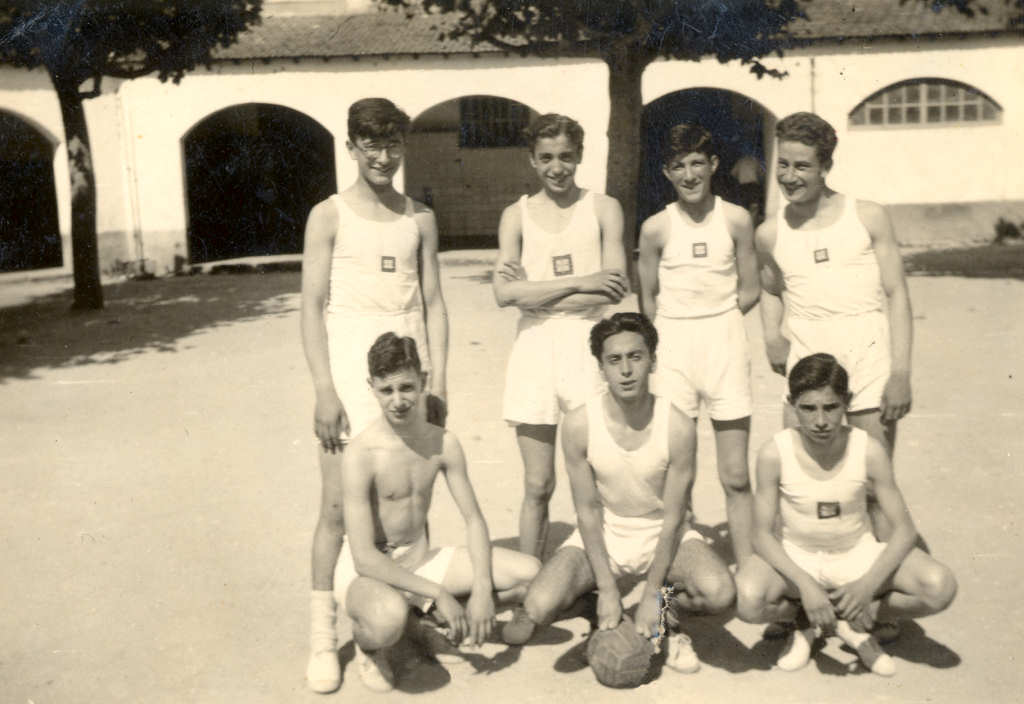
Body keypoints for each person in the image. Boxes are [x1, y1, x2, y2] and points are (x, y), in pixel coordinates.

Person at [300, 98, 449, 693]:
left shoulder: (421, 217)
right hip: (349, 374)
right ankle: (321, 638)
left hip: (407, 371)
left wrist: (439, 379)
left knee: (404, 504)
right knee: (338, 510)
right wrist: (323, 389)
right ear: (352, 147)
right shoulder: (328, 216)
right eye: (371, 146)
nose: (383, 158)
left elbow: (434, 303)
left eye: (392, 145)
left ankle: (386, 636)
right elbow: (311, 307)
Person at [510, 313, 736, 675]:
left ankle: (667, 616)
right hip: (608, 531)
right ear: (601, 368)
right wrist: (608, 589)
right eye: (614, 360)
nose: (626, 370)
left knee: (720, 591)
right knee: (538, 605)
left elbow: (675, 517)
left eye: (636, 357)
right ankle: (599, 609)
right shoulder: (579, 424)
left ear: (653, 361)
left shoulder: (678, 426)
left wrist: (652, 592)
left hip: (662, 532)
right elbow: (587, 511)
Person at [338, 333, 541, 692]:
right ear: (372, 388)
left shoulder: (443, 442)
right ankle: (370, 646)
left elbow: (474, 520)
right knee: (387, 619)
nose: (398, 400)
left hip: (419, 561)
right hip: (370, 572)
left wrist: (481, 589)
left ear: (423, 381)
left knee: (531, 574)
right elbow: (364, 558)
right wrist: (439, 593)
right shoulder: (361, 453)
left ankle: (424, 622)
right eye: (386, 390)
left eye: (406, 387)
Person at [734, 354, 956, 675]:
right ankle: (805, 619)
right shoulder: (774, 453)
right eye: (808, 408)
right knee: (745, 598)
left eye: (831, 407)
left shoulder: (868, 449)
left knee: (940, 586)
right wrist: (806, 585)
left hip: (855, 555)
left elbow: (905, 530)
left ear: (847, 402)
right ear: (792, 405)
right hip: (800, 557)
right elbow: (761, 535)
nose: (820, 420)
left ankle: (856, 619)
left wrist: (866, 588)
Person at [492, 113, 628, 564]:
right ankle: (527, 579)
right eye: (546, 157)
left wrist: (534, 291)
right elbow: (504, 294)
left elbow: (613, 288)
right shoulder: (516, 216)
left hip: (588, 345)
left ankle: (602, 577)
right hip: (534, 348)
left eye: (566, 157)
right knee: (537, 483)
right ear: (532, 160)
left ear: (580, 156)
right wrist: (580, 282)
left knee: (594, 476)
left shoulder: (603, 208)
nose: (557, 167)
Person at [637, 123, 760, 567]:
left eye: (696, 164)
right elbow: (648, 298)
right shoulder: (655, 228)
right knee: (676, 474)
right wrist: (674, 332)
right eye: (678, 166)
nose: (688, 175)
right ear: (666, 172)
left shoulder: (736, 219)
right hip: (674, 349)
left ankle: (748, 572)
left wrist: (716, 319)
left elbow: (750, 289)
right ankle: (675, 578)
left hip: (724, 343)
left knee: (736, 474)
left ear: (713, 165)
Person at [756, 111, 912, 461]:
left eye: (801, 166)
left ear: (825, 167)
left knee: (872, 474)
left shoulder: (868, 217)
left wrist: (901, 373)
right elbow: (769, 289)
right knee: (800, 473)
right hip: (807, 355)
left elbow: (897, 294)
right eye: (783, 164)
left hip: (866, 355)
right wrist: (771, 337)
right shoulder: (769, 232)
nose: (789, 177)